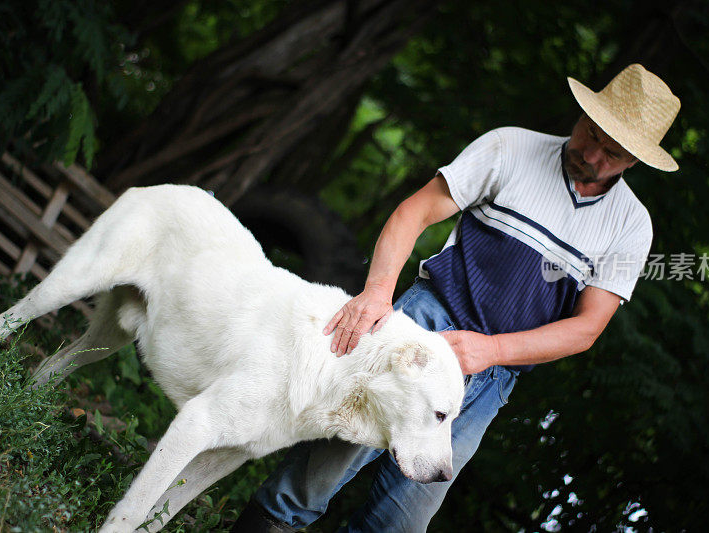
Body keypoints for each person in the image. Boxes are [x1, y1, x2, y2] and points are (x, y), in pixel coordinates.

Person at [231, 63, 681, 532]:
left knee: (402, 520)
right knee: (320, 472)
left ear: (634, 162)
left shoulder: (632, 226)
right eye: (591, 133)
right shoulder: (510, 147)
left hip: (493, 376)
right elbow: (414, 212)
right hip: (425, 326)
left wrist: (493, 351)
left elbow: (587, 328)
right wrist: (377, 293)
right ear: (583, 114)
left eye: (613, 153)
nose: (592, 155)